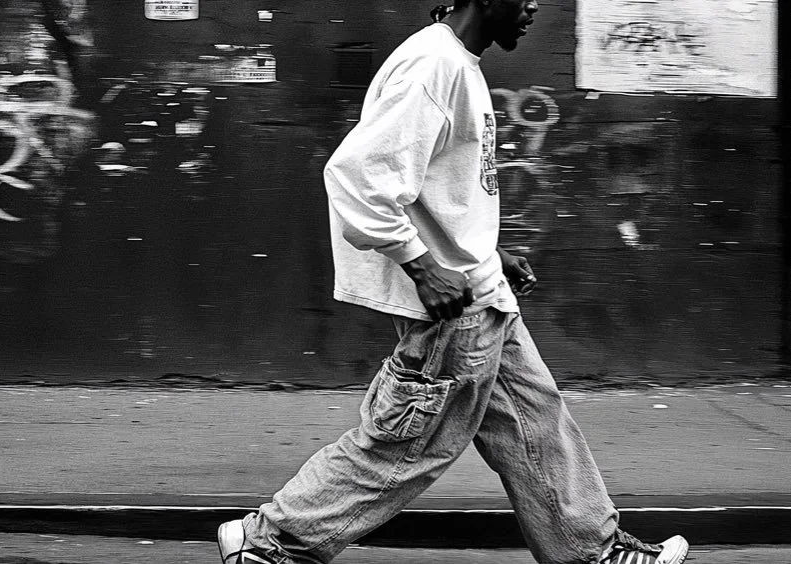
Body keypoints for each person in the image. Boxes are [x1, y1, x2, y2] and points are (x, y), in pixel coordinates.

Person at [217, 2, 689, 563]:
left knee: (536, 427)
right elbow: (355, 177)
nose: (534, 5)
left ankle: (591, 551)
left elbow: (434, 187)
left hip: (482, 293)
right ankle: (269, 543)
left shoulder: (456, 62)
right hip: (454, 314)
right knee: (406, 448)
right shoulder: (434, 65)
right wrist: (421, 266)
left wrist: (488, 252)